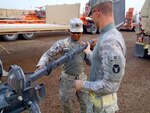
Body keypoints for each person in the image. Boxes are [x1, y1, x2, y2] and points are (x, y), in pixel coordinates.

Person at [75, 0, 126, 113]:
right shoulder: (107, 35)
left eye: (91, 14)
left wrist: (82, 85)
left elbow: (110, 85)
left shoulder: (110, 40)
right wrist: (88, 52)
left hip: (103, 108)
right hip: (98, 106)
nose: (91, 18)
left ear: (97, 12)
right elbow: (102, 65)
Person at [36, 18, 89, 113]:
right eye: (73, 32)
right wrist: (41, 64)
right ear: (69, 31)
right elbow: (48, 54)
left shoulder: (84, 45)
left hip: (82, 79)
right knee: (67, 107)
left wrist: (91, 52)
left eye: (79, 33)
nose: (76, 35)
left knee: (87, 105)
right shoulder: (63, 44)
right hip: (67, 81)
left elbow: (90, 62)